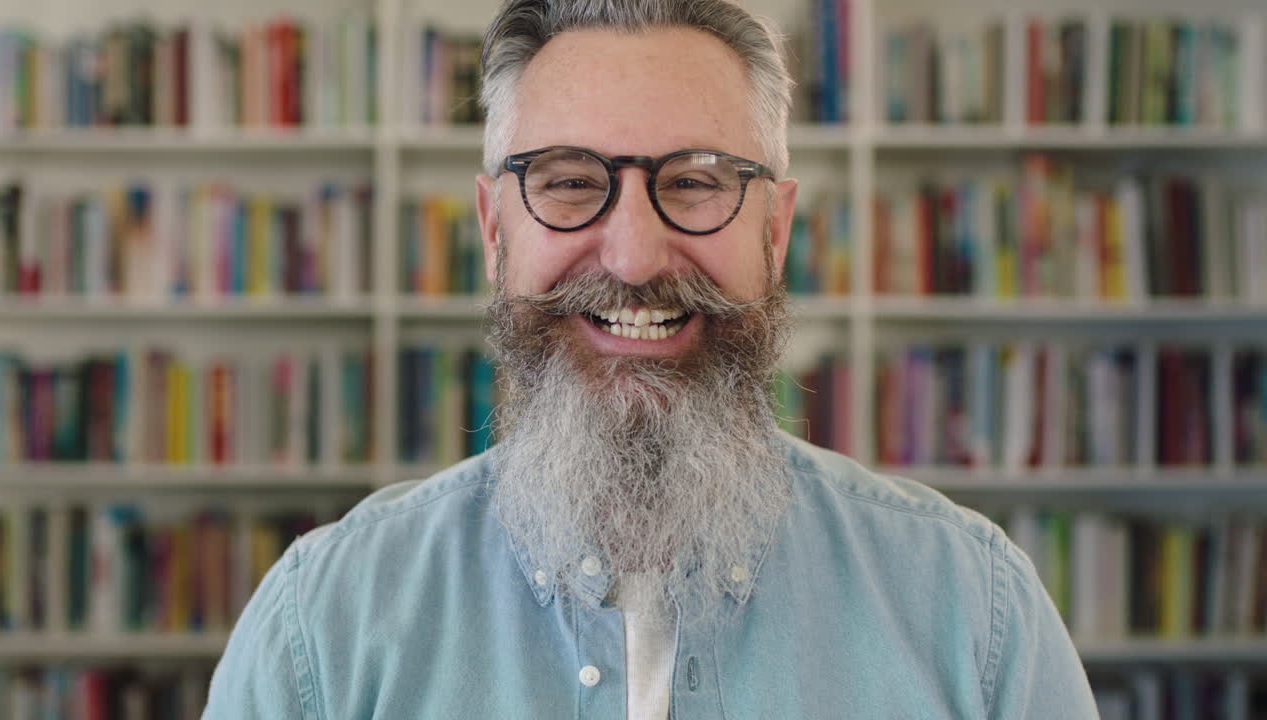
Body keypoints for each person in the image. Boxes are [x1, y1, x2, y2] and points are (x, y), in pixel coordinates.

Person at [203, 0, 1099, 717]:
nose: (634, 258)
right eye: (566, 183)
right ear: (493, 231)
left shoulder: (973, 613)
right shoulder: (321, 625)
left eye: (697, 181)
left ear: (776, 232)